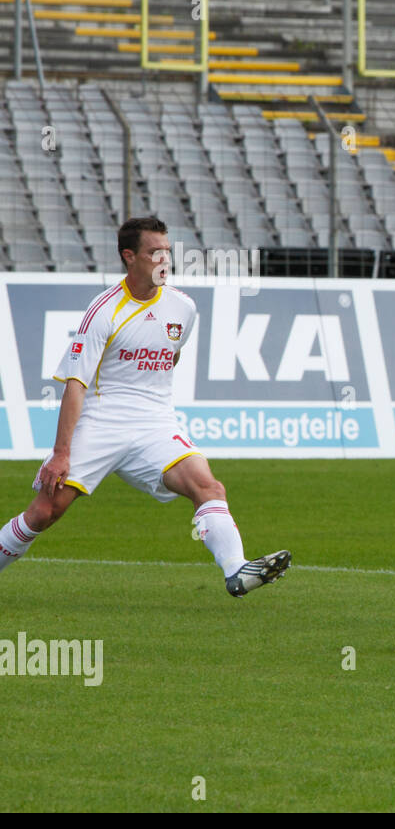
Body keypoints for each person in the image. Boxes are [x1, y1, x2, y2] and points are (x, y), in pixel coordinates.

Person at [0, 217, 291, 594]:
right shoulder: (104, 310)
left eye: (168, 252)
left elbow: (171, 356)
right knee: (44, 512)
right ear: (129, 256)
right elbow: (76, 385)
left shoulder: (182, 308)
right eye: (155, 252)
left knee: (208, 486)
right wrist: (60, 453)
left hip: (154, 422)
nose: (164, 260)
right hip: (101, 421)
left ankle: (237, 571)